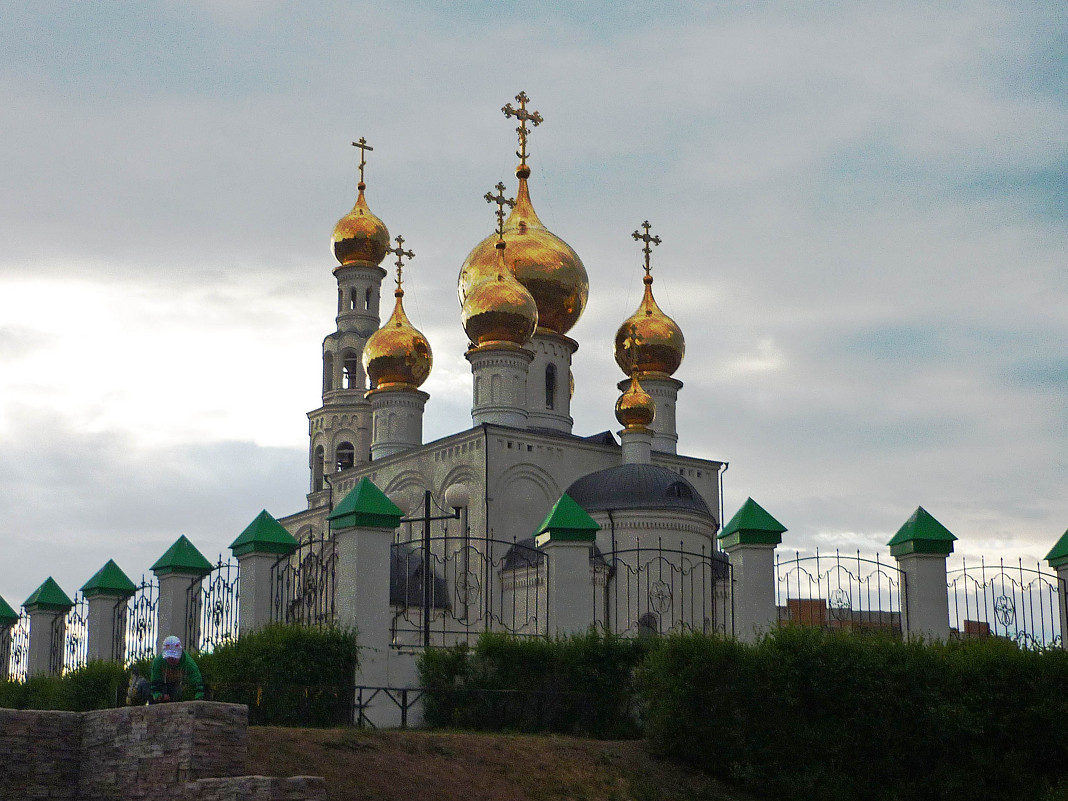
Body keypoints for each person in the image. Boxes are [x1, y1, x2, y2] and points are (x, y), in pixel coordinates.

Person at [149, 635, 206, 703]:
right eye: (169, 658)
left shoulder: (188, 662)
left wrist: (198, 699)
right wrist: (159, 696)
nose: (171, 661)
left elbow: (197, 681)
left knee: (177, 691)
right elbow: (155, 683)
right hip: (163, 687)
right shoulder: (158, 662)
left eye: (174, 658)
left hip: (179, 689)